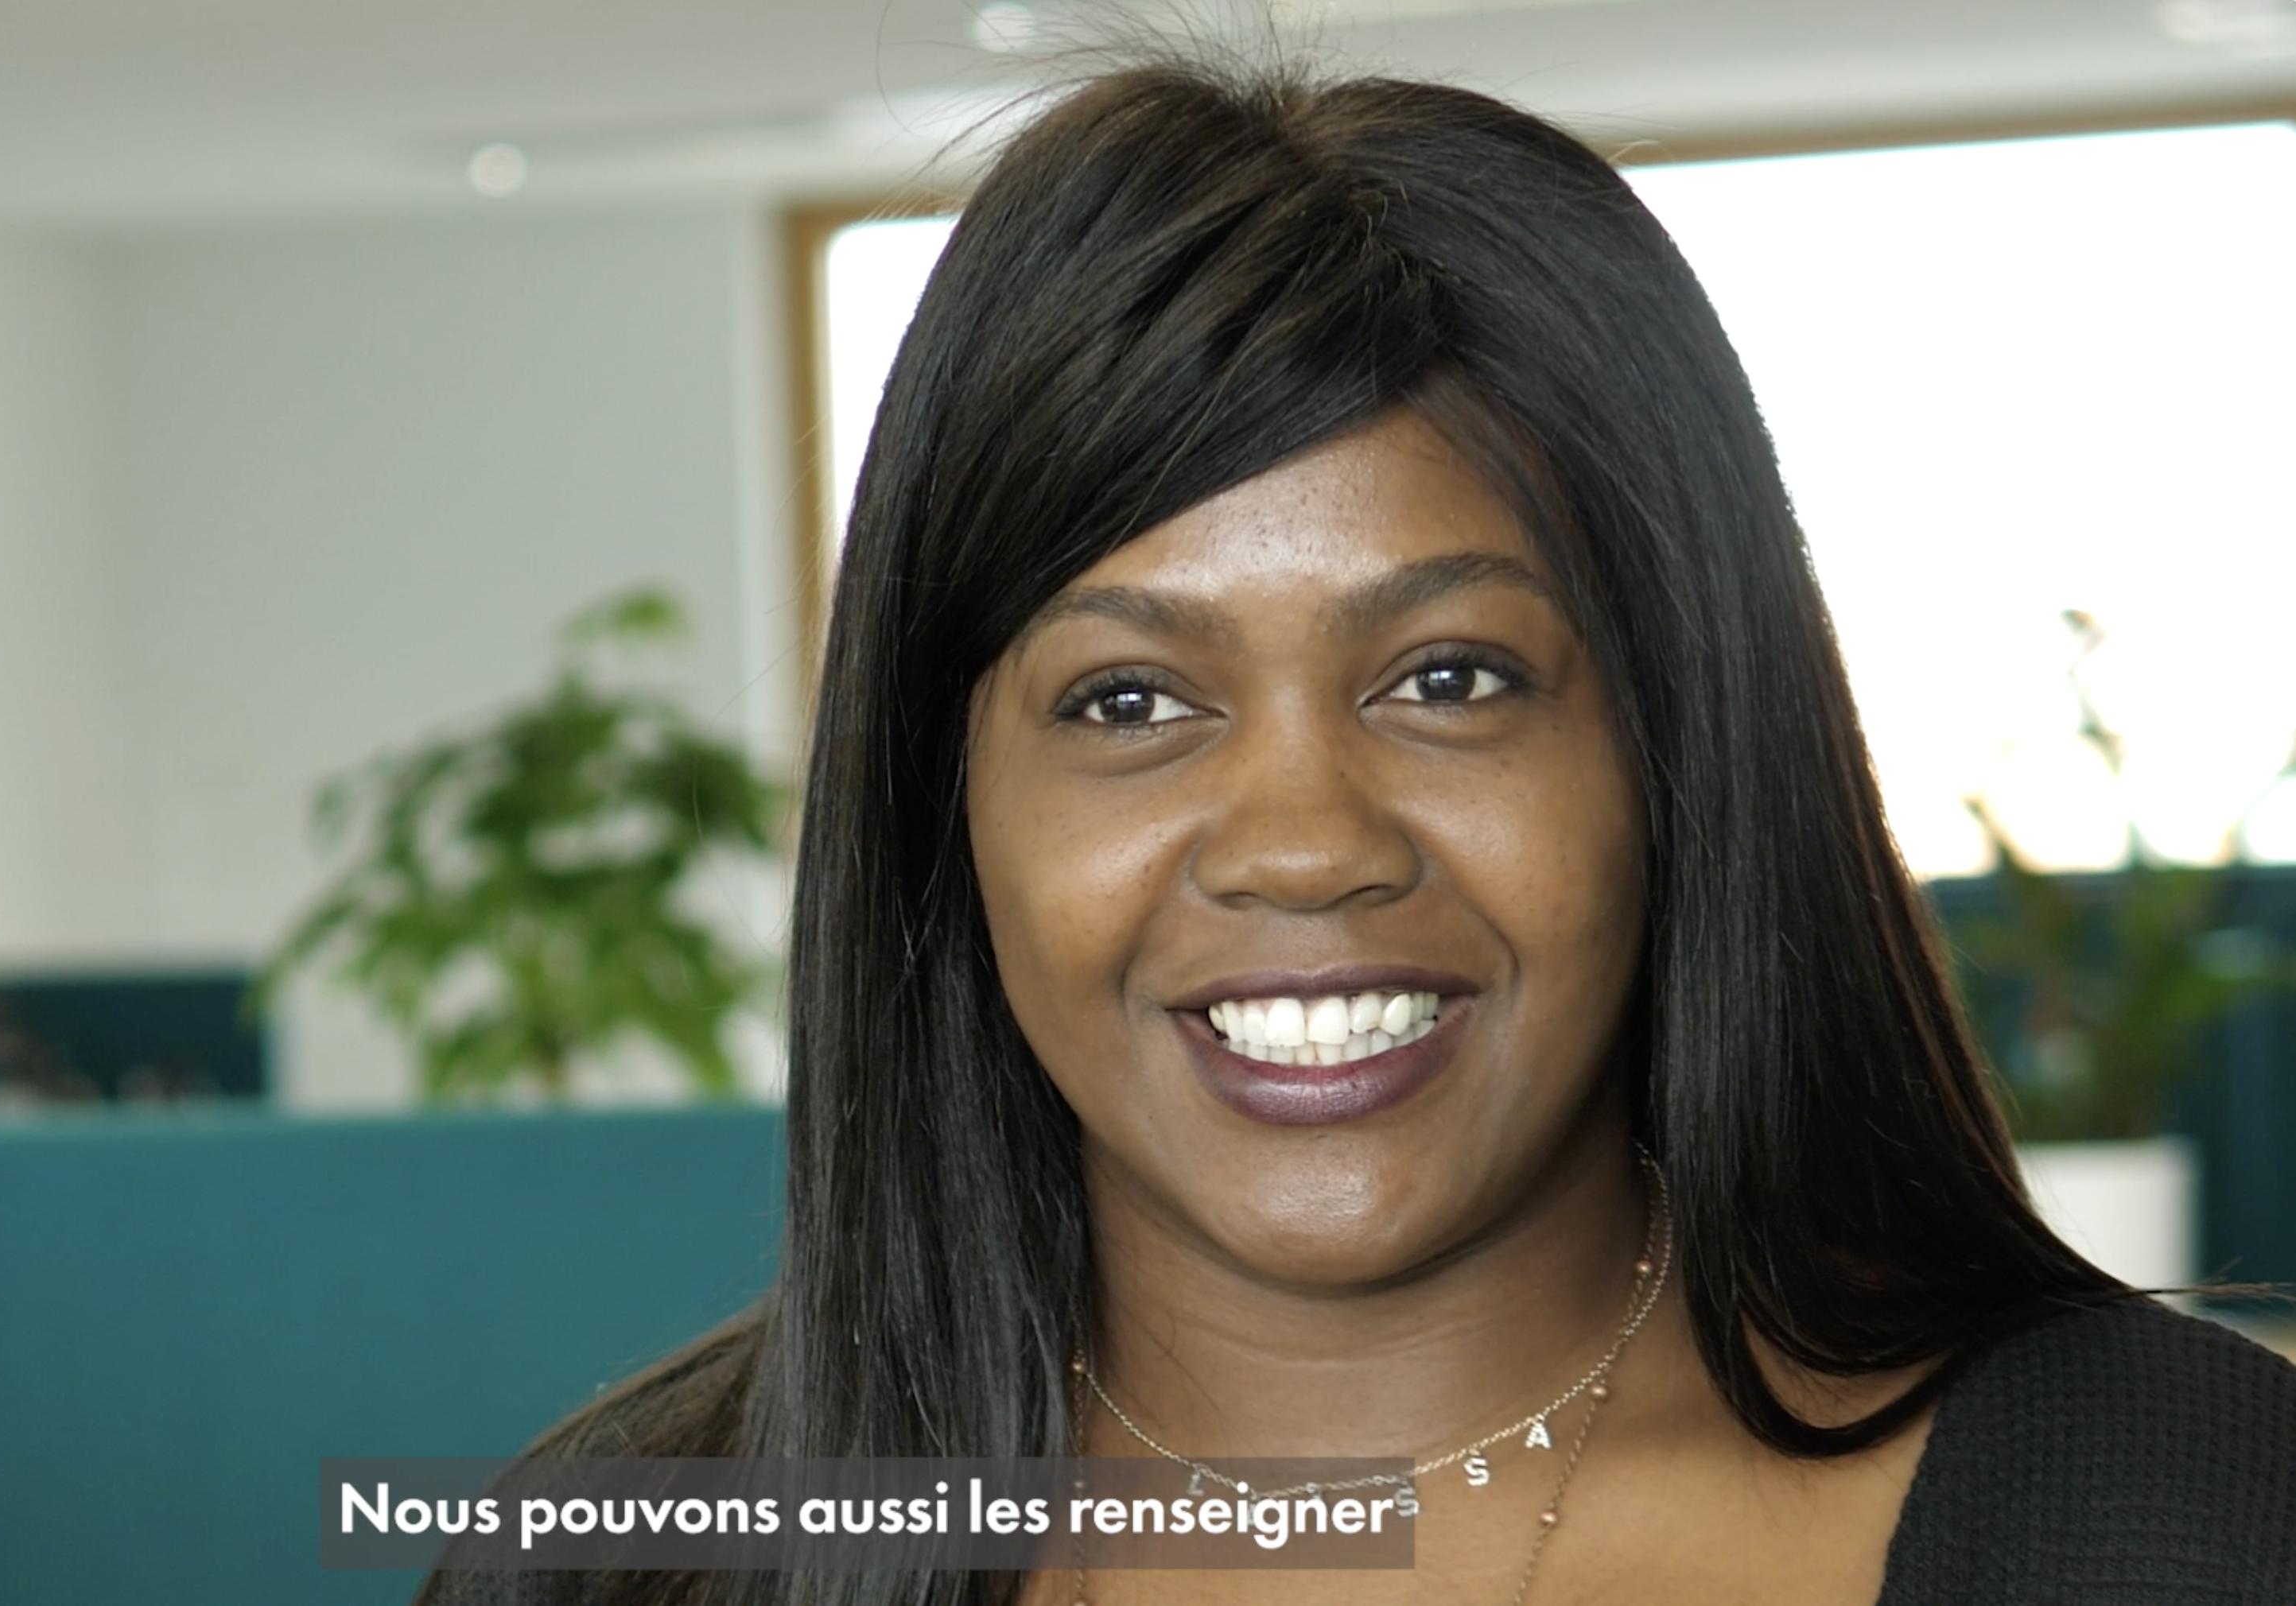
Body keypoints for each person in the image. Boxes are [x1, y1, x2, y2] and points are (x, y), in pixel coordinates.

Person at [426, 56, 2296, 1606]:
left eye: (1450, 676)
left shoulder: (2186, 1519)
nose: (1302, 845)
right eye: (1128, 700)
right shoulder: (622, 1560)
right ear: (943, 811)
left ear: (1677, 752)